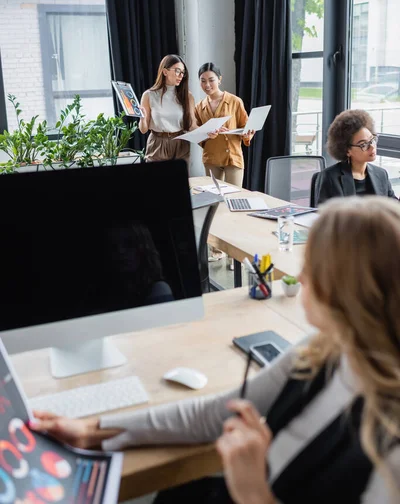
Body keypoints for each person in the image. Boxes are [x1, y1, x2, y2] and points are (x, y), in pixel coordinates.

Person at [30, 196, 400, 504]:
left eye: (313, 267)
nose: (300, 277)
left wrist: (253, 491)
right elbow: (215, 414)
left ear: (352, 291)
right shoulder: (326, 348)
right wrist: (92, 429)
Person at [195, 62, 255, 263]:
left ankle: (234, 256)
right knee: (214, 205)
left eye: (211, 80)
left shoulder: (234, 101)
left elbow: (247, 129)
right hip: (211, 157)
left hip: (232, 157)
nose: (207, 85)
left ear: (219, 79)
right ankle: (217, 250)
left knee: (234, 205)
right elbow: (198, 136)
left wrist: (249, 133)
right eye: (203, 81)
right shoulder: (199, 107)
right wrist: (206, 134)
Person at [316, 109, 397, 204]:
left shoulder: (381, 174)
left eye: (372, 140)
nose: (372, 147)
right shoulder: (330, 177)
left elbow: (394, 208)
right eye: (363, 144)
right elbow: (325, 215)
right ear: (347, 150)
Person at [139, 54, 196, 164]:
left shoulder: (187, 96)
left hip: (180, 143)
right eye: (177, 71)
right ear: (165, 72)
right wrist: (142, 118)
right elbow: (143, 130)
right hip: (157, 143)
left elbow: (192, 125)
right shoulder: (149, 95)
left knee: (179, 181)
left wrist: (209, 131)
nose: (181, 75)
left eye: (183, 72)